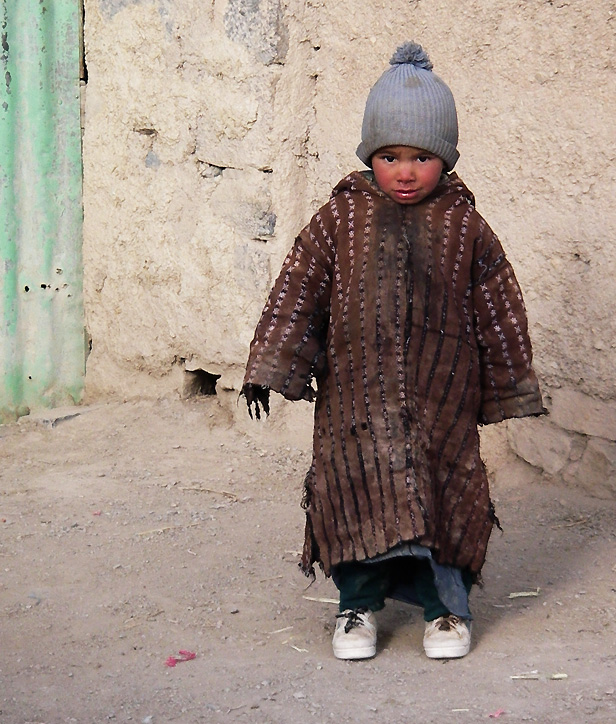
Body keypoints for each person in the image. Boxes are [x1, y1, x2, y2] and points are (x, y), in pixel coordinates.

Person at [241, 41, 545, 661]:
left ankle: (446, 610)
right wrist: (270, 364)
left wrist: (509, 385)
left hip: (441, 399)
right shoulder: (339, 220)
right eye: (389, 157)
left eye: (421, 157)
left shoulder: (465, 227)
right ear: (369, 156)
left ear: (446, 158)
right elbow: (298, 288)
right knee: (355, 489)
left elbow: (499, 307)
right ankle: (356, 606)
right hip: (356, 400)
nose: (405, 172)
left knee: (444, 493)